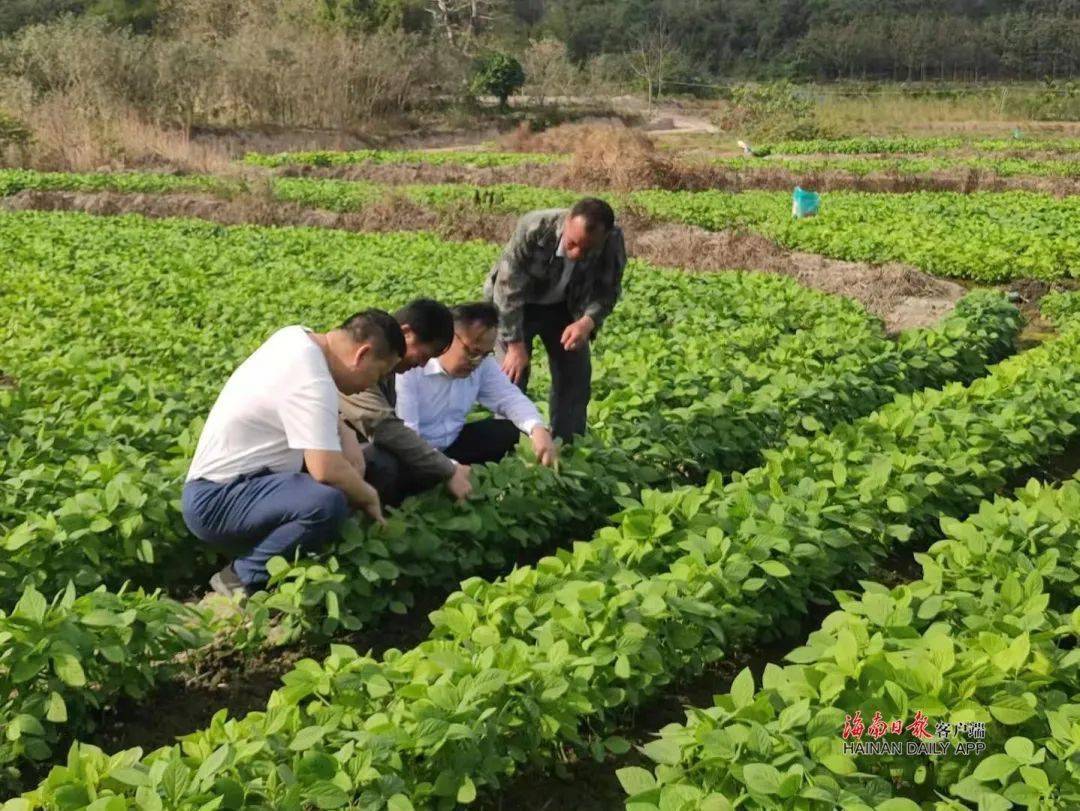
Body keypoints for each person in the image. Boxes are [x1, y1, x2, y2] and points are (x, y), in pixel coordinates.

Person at [181, 310, 405, 598]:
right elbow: (325, 469)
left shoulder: (298, 339)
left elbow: (303, 404)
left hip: (248, 486)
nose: (373, 384)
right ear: (362, 354)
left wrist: (344, 431)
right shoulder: (312, 378)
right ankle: (240, 577)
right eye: (380, 373)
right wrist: (368, 496)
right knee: (326, 502)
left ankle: (306, 550)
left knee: (371, 463)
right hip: (217, 500)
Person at [485, 197, 626, 441]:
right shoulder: (534, 228)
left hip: (566, 308)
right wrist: (515, 345)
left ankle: (567, 445)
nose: (576, 253)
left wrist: (587, 322)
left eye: (587, 249)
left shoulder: (612, 240)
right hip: (518, 306)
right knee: (511, 377)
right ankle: (505, 447)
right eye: (572, 243)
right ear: (567, 220)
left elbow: (608, 289)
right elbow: (507, 289)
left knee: (575, 376)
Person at [339, 299, 474, 507]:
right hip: (307, 460)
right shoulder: (362, 360)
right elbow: (383, 426)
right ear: (407, 333)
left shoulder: (389, 370)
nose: (422, 365)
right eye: (423, 355)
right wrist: (449, 469)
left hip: (342, 449)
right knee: (385, 460)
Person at [395, 302, 558, 468]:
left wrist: (537, 428)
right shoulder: (411, 368)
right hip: (415, 452)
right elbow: (408, 435)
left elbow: (509, 397)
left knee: (508, 431)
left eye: (485, 354)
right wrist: (449, 469)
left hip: (452, 444)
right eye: (472, 352)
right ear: (450, 337)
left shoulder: (483, 364)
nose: (476, 362)